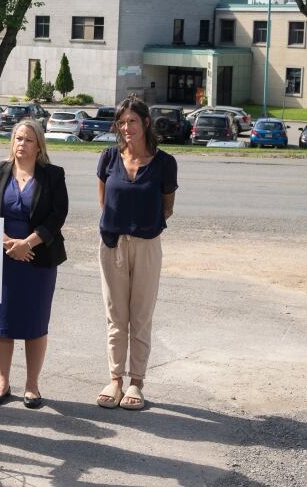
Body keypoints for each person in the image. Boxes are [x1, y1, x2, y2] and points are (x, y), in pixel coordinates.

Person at [96, 95, 178, 410]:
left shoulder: (164, 163)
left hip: (146, 245)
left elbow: (167, 207)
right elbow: (104, 203)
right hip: (112, 244)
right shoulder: (108, 158)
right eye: (122, 121)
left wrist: (142, 226)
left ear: (145, 123)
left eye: (132, 121)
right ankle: (115, 379)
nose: (126, 127)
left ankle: (136, 382)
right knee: (116, 317)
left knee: (140, 316)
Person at [0, 120, 68, 409]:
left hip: (38, 259)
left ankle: (32, 385)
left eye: (28, 140)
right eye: (18, 138)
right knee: (1, 323)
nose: (22, 144)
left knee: (35, 322)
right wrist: (7, 242)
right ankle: (3, 381)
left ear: (39, 145)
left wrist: (26, 244)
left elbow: (57, 216)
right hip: (2, 259)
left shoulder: (53, 175)